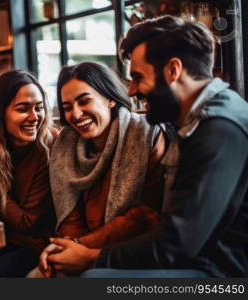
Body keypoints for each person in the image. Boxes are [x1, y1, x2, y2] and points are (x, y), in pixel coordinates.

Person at [48, 16, 248, 278]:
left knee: (93, 280)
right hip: (190, 261)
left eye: (138, 78)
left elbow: (177, 242)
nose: (130, 91)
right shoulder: (192, 123)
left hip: (220, 275)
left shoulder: (219, 128)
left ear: (172, 71)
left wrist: (91, 258)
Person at [36, 62, 166, 277]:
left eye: (84, 101)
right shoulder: (64, 146)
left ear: (110, 98)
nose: (76, 114)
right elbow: (70, 215)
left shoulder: (146, 135)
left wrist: (79, 246)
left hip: (129, 254)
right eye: (67, 107)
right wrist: (67, 248)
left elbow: (145, 215)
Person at [0, 70, 56, 277]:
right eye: (22, 109)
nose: (34, 117)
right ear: (0, 113)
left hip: (43, 244)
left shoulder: (48, 147)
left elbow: (28, 223)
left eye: (39, 108)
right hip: (9, 239)